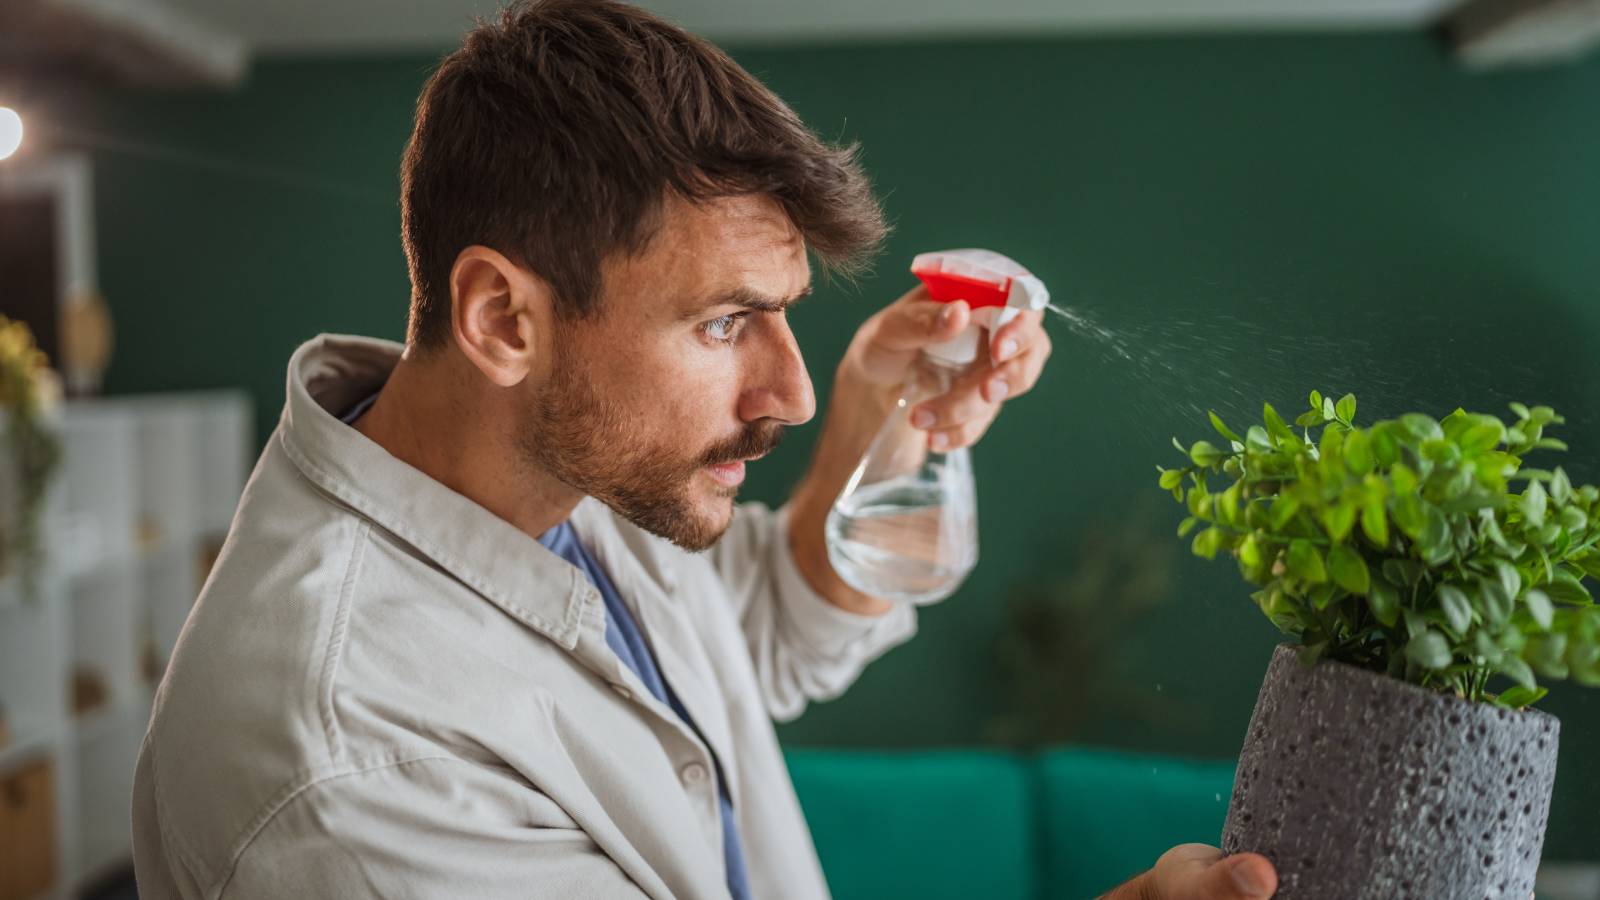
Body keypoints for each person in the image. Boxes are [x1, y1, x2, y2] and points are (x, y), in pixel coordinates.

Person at [130, 2, 1278, 898]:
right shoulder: (353, 766)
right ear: (502, 319)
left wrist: (870, 438)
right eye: (725, 321)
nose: (784, 385)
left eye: (782, 312)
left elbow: (753, 643)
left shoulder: (556, 481)